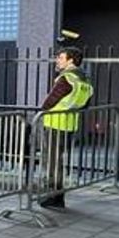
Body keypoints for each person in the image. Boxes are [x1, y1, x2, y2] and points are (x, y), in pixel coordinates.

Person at [37, 47, 93, 209]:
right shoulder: (84, 80)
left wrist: (41, 111)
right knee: (57, 161)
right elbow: (85, 104)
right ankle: (57, 195)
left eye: (61, 57)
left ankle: (55, 196)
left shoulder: (66, 78)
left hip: (54, 123)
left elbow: (51, 100)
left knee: (52, 163)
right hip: (69, 124)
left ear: (70, 60)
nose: (58, 60)